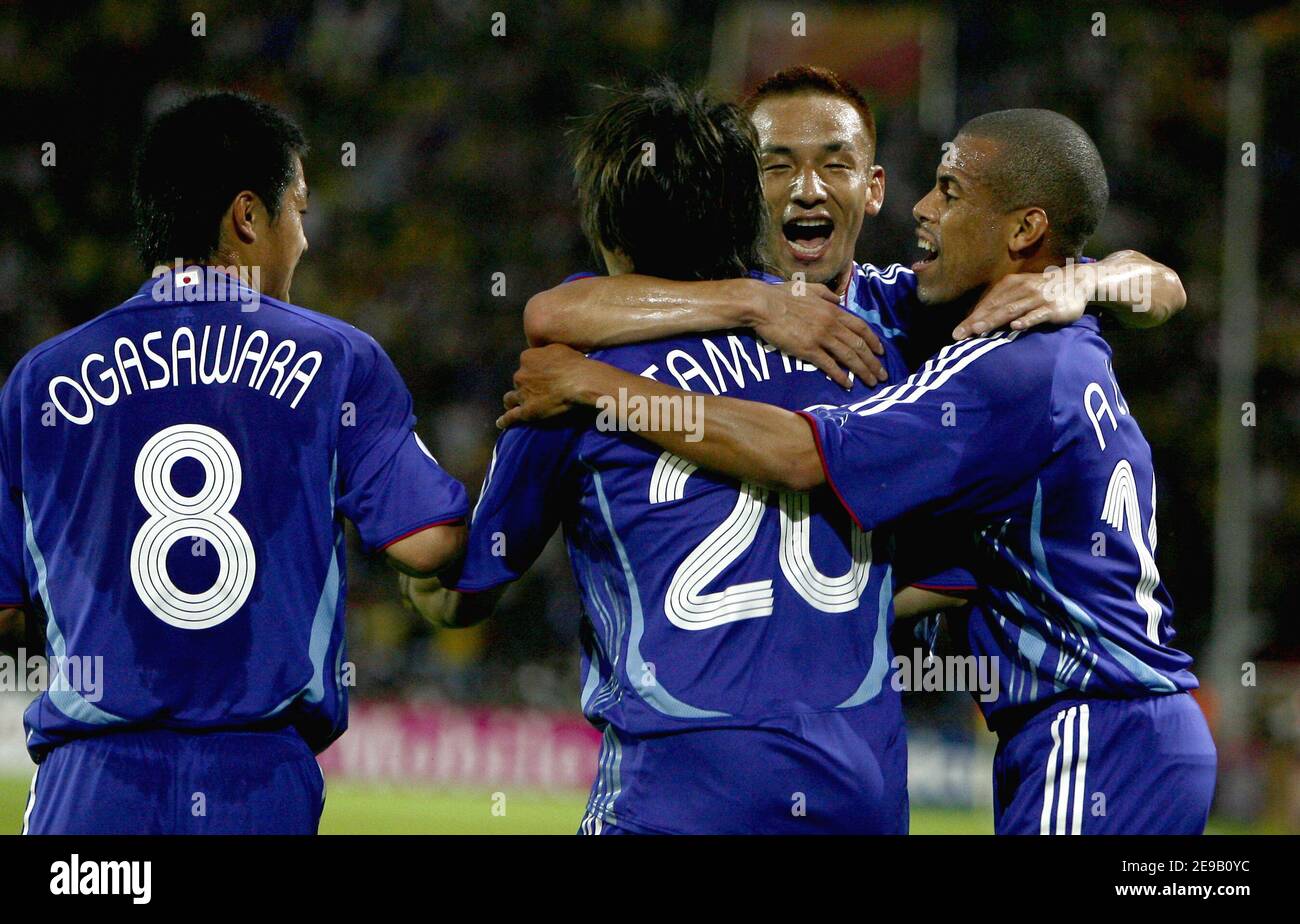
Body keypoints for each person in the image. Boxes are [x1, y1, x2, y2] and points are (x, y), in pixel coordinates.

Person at [500, 109, 1217, 835]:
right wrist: (756, 305)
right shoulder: (1035, 323)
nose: (923, 206)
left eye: (948, 190)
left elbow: (800, 456)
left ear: (867, 188)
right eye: (776, 166)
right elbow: (552, 310)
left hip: (1094, 730)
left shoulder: (965, 340)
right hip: (1095, 730)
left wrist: (597, 389)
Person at [406, 79, 912, 834]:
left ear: (606, 230)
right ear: (744, 206)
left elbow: (464, 590)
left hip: (678, 788)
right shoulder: (870, 349)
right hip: (860, 789)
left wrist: (406, 535)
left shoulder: (568, 382)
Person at [0, 92, 468, 834]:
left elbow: (6, 609)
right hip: (257, 784)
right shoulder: (339, 359)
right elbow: (430, 541)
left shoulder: (36, 382)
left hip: (92, 783)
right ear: (249, 216)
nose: (305, 242)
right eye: (301, 213)